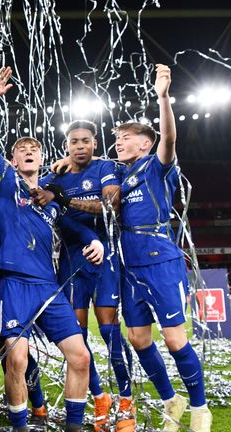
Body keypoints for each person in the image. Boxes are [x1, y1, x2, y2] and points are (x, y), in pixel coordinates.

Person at [0, 67, 102, 432]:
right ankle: (20, 425)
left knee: (80, 356)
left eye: (34, 148)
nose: (28, 151)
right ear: (14, 161)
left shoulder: (49, 199)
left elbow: (73, 225)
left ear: (42, 157)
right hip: (14, 283)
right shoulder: (4, 181)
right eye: (21, 150)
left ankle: (75, 425)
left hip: (49, 287)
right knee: (16, 359)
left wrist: (93, 240)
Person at [114, 64, 211, 432]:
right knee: (137, 338)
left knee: (173, 339)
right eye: (117, 137)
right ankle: (172, 399)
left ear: (145, 143)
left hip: (159, 259)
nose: (119, 142)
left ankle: (199, 409)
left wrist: (163, 98)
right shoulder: (120, 175)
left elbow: (169, 139)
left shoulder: (157, 166)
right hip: (129, 265)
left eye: (125, 137)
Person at [33, 120, 135, 432]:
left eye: (86, 141)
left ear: (94, 143)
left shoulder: (104, 167)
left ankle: (126, 403)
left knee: (109, 332)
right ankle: (100, 397)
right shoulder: (54, 177)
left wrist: (64, 199)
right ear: (66, 146)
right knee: (77, 335)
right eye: (74, 141)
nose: (80, 146)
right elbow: (46, 207)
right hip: (71, 261)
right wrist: (55, 190)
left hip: (105, 259)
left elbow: (110, 204)